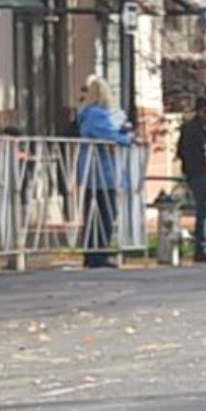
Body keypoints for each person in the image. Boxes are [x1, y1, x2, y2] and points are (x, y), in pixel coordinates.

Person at [74, 76, 133, 269]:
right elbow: (108, 134)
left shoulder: (85, 114)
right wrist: (127, 138)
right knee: (106, 212)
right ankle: (97, 253)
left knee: (95, 213)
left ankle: (94, 253)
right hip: (100, 172)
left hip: (92, 171)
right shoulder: (97, 115)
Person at [175, 94, 206, 262]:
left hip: (196, 173)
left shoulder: (195, 127)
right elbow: (188, 151)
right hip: (199, 173)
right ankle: (203, 247)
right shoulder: (196, 129)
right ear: (200, 111)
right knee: (203, 210)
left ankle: (205, 246)